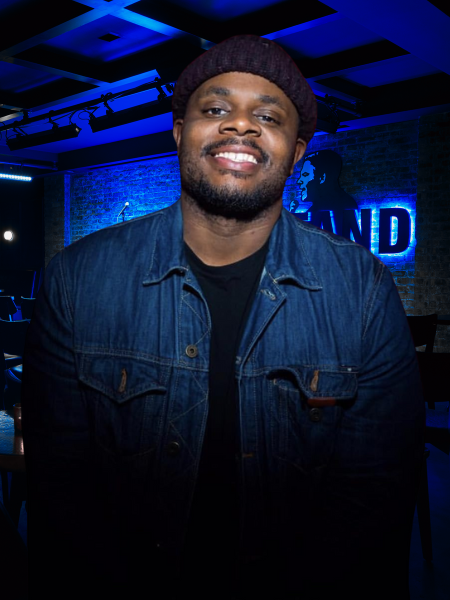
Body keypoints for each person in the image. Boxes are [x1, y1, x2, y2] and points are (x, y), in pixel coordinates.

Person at [21, 35, 425, 600]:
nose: (240, 125)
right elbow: (60, 487)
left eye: (268, 116)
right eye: (215, 109)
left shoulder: (363, 289)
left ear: (298, 153)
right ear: (178, 132)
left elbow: (374, 496)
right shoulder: (77, 278)